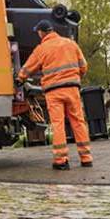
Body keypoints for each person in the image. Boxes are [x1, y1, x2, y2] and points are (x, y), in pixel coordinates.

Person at [17, 19, 93, 170]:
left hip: (54, 92)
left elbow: (28, 68)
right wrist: (75, 78)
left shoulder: (41, 48)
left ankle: (61, 161)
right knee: (78, 121)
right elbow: (83, 66)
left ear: (42, 32)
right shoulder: (70, 43)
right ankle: (86, 158)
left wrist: (19, 79)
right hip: (72, 89)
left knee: (58, 124)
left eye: (38, 32)